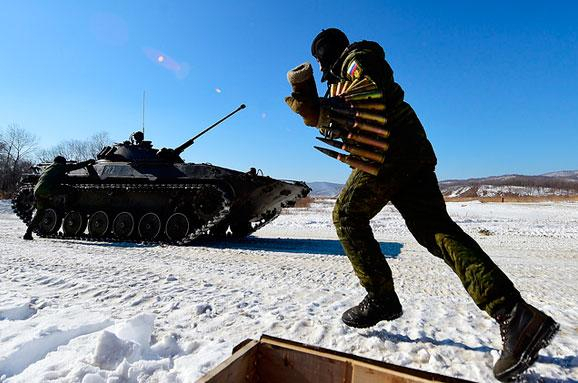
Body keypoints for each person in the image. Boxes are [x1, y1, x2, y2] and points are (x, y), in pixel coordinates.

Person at [284, 28, 558, 381]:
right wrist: (310, 100)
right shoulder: (347, 72)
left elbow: (371, 89)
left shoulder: (356, 60)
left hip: (387, 151)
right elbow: (336, 113)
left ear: (328, 58)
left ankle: (381, 297)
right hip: (410, 149)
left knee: (347, 215)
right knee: (436, 230)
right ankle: (516, 315)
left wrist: (333, 101)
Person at [23, 156, 95, 240]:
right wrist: (88, 162)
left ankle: (28, 233)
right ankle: (69, 207)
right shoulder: (59, 166)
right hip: (48, 189)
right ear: (62, 162)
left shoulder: (49, 167)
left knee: (40, 213)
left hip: (37, 191)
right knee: (71, 190)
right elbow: (74, 167)